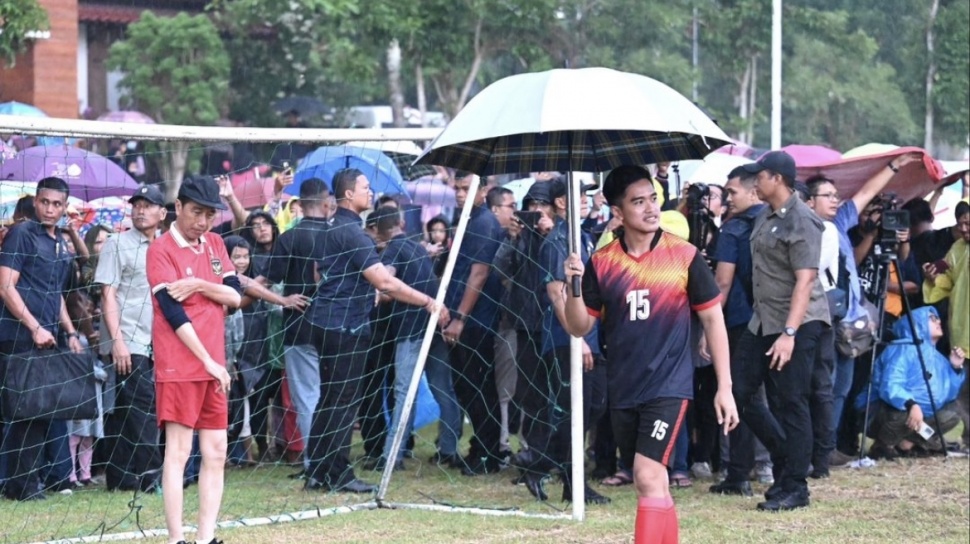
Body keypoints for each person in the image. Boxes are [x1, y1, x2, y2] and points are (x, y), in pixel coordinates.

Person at [563, 165, 738, 544]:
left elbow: (713, 320)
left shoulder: (684, 255)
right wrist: (572, 286)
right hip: (624, 386)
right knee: (653, 480)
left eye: (653, 199)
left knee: (645, 473)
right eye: (638, 202)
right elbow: (579, 327)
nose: (650, 209)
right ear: (618, 211)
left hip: (669, 386)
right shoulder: (602, 262)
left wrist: (724, 387)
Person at [303, 168, 448, 494]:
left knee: (329, 399)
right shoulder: (354, 233)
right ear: (349, 194)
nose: (371, 191)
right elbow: (383, 281)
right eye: (366, 187)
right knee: (342, 402)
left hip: (325, 323)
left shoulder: (328, 227)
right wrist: (428, 301)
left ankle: (318, 470)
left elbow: (317, 274)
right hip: (345, 326)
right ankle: (337, 474)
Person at [726, 151, 832, 512]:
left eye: (761, 176)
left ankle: (795, 486)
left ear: (778, 179)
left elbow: (805, 281)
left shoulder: (802, 220)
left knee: (791, 401)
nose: (755, 181)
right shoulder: (764, 217)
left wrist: (789, 334)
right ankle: (786, 458)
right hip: (763, 320)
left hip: (798, 322)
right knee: (738, 391)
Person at [146, 175, 243, 544]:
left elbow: (235, 296)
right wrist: (206, 361)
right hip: (181, 366)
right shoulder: (160, 250)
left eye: (209, 215)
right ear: (178, 208)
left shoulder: (216, 243)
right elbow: (173, 312)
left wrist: (202, 286)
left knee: (216, 451)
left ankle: (206, 538)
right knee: (179, 452)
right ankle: (176, 539)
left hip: (215, 366)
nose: (202, 222)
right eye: (196, 213)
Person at [520, 176, 608, 505]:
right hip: (565, 339)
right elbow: (556, 293)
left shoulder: (581, 236)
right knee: (574, 412)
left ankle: (540, 463)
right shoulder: (558, 240)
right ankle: (569, 483)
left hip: (589, 336)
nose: (586, 200)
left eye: (586, 195)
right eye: (578, 195)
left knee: (594, 406)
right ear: (560, 202)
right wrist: (578, 338)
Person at [0, 177, 85, 501]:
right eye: (44, 202)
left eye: (57, 204)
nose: (50, 209)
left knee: (41, 412)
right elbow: (6, 285)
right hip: (19, 337)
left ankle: (29, 481)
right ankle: (19, 485)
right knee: (22, 412)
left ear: (65, 207)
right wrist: (34, 326)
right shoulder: (22, 233)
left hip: (49, 338)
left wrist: (71, 331)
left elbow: (56, 294)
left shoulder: (60, 242)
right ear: (35, 202)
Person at [707, 168, 775, 496]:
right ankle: (774, 462)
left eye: (732, 192)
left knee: (737, 396)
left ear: (753, 192)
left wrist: (710, 330)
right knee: (766, 397)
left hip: (737, 323)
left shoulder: (733, 229)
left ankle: (738, 473)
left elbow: (721, 282)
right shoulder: (774, 221)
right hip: (774, 322)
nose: (727, 198)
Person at [96, 185, 167, 493]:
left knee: (127, 411)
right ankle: (152, 479)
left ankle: (120, 479)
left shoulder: (167, 246)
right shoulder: (117, 243)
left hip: (158, 341)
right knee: (144, 408)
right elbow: (106, 293)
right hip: (129, 340)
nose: (140, 210)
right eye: (136, 204)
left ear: (162, 213)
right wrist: (118, 342)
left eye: (147, 205)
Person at [440, 171, 506, 475]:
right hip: (458, 316)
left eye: (466, 189)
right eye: (457, 188)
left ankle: (488, 453)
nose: (460, 194)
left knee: (480, 387)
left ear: (483, 190)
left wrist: (461, 318)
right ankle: (480, 447)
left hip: (476, 321)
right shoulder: (465, 220)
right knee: (465, 386)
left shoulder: (484, 223)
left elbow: (478, 273)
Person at [266, 178, 331, 477]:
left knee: (306, 397)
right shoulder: (339, 235)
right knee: (331, 395)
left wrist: (240, 286)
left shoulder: (290, 238)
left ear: (300, 205)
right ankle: (331, 460)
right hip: (337, 329)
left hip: (299, 327)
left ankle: (315, 463)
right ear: (327, 202)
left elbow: (268, 279)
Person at [865, 307, 966, 456]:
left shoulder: (937, 357)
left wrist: (955, 368)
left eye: (937, 318)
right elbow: (890, 385)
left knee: (953, 412)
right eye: (932, 318)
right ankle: (884, 444)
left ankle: (908, 442)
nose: (938, 321)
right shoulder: (902, 348)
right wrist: (911, 404)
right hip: (885, 411)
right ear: (917, 323)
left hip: (921, 416)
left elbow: (948, 395)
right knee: (903, 414)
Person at [923, 200, 970, 450]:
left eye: (968, 223)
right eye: (961, 223)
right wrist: (934, 277)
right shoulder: (957, 249)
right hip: (963, 329)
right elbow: (945, 280)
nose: (964, 229)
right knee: (964, 391)